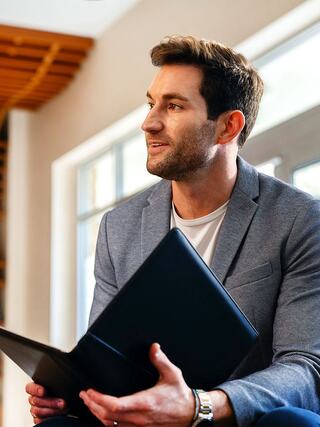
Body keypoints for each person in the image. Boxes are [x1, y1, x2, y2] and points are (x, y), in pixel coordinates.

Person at [26, 35, 320, 427]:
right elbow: (105, 357)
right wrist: (76, 394)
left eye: (174, 105)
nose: (149, 122)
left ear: (227, 127)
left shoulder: (300, 219)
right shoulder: (120, 227)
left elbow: (305, 368)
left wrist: (201, 406)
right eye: (152, 104)